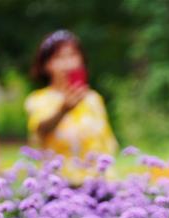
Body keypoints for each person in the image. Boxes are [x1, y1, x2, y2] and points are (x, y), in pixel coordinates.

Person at [25, 30, 118, 183]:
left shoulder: (93, 99)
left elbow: (108, 145)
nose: (68, 63)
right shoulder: (38, 99)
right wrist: (63, 111)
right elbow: (40, 130)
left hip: (97, 183)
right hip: (59, 183)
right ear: (45, 64)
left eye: (72, 55)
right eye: (59, 57)